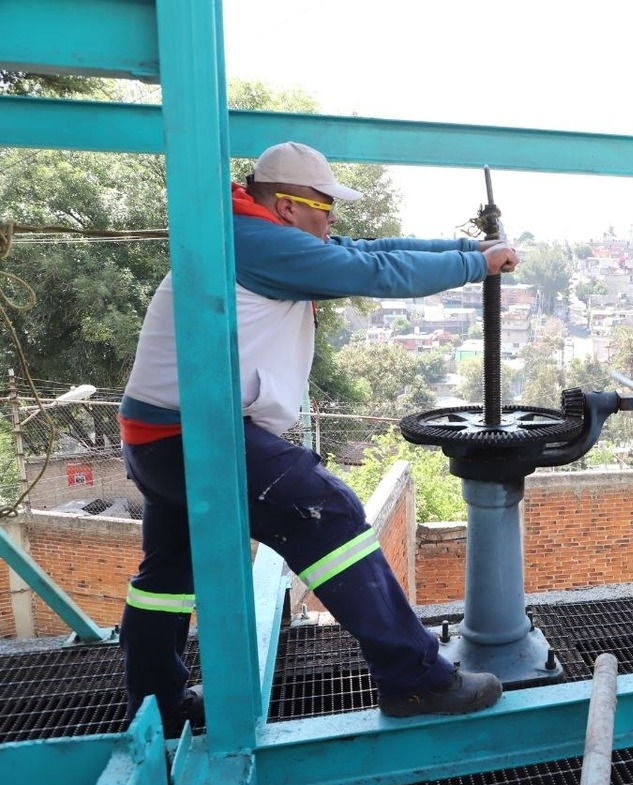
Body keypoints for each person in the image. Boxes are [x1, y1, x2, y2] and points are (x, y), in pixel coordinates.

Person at [117, 141, 518, 734]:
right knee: (327, 509)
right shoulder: (253, 242)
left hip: (160, 437)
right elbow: (372, 270)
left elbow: (367, 249)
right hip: (194, 437)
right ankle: (416, 681)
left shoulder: (242, 232)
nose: (332, 221)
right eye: (324, 208)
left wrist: (470, 249)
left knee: (169, 576)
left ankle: (159, 705)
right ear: (286, 206)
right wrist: (477, 266)